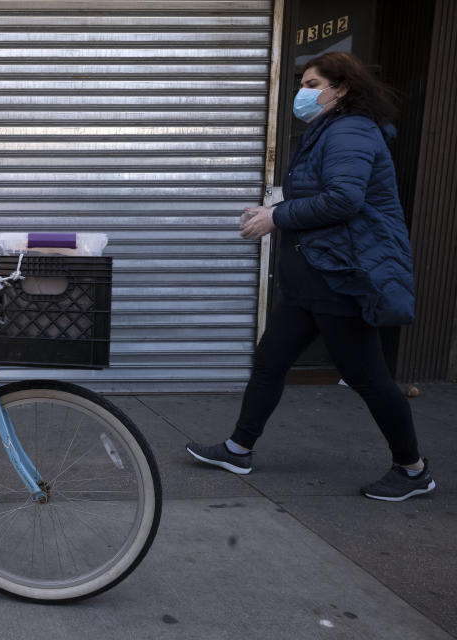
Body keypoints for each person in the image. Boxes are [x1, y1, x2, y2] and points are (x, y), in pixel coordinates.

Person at [185, 52, 436, 502]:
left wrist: (276, 218)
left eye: (311, 82)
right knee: (270, 362)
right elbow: (319, 193)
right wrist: (271, 211)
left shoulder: (351, 131)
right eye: (302, 82)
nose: (302, 92)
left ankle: (413, 470)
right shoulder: (327, 131)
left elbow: (343, 199)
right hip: (315, 276)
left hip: (340, 275)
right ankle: (238, 448)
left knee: (367, 377)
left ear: (339, 89)